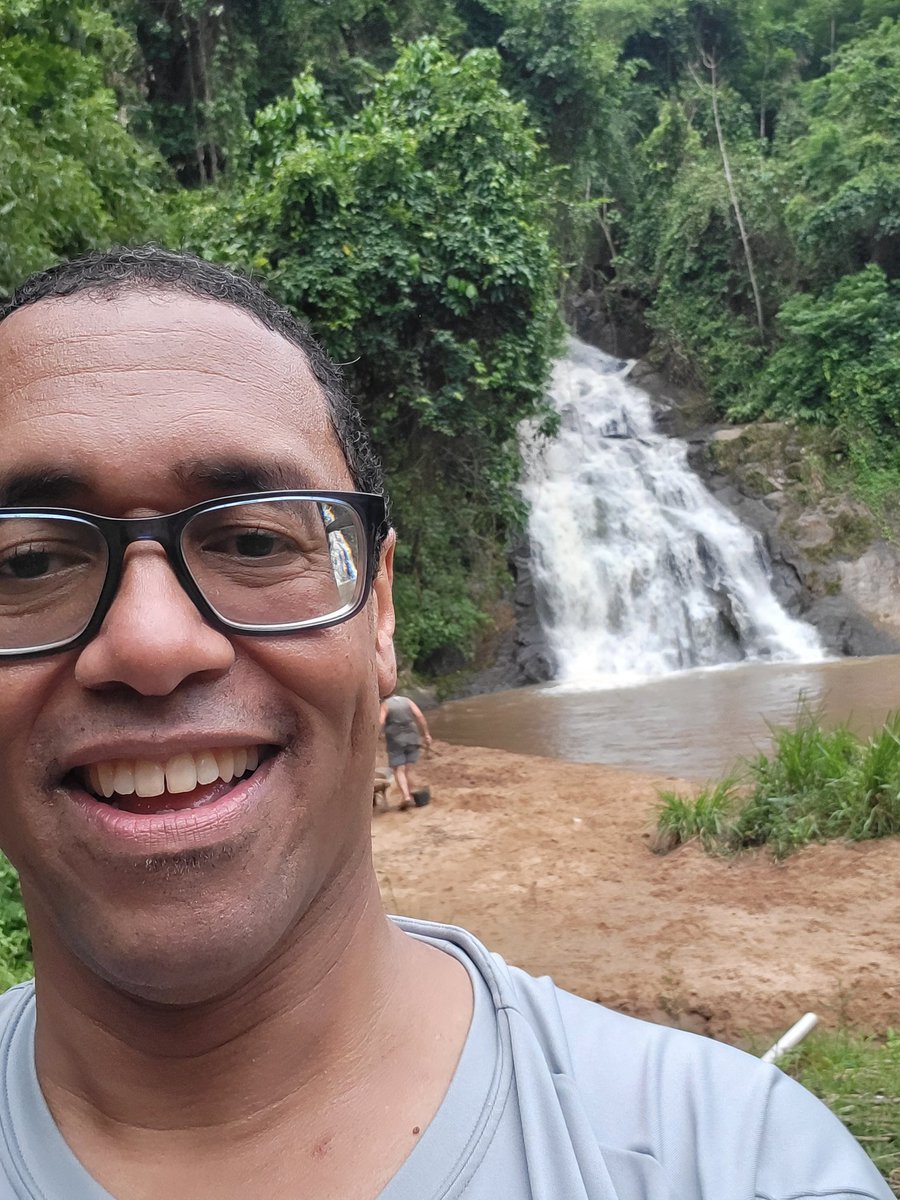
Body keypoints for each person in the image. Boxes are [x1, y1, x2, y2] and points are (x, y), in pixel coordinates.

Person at [0, 246, 890, 1200]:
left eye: (255, 540)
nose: (150, 643)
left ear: (379, 611)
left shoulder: (733, 1162)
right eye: (26, 563)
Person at [380, 693, 432, 808]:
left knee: (399, 769)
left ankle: (406, 796)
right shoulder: (407, 701)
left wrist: (377, 734)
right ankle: (410, 794)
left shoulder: (385, 705)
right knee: (407, 769)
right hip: (412, 737)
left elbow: (381, 721)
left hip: (395, 740)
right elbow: (420, 716)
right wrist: (426, 734)